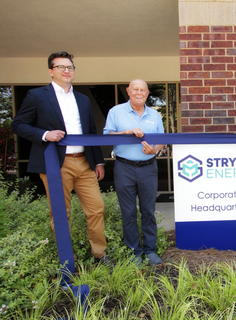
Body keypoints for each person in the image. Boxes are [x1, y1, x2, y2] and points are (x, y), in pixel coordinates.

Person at [11, 51, 111, 264]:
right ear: (51, 71)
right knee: (60, 213)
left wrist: (99, 160)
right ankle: (67, 260)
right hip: (55, 163)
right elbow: (18, 124)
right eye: (61, 67)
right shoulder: (37, 96)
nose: (67, 71)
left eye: (70, 67)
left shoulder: (82, 100)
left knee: (96, 209)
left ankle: (100, 255)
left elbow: (90, 130)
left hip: (84, 162)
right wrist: (45, 135)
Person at [103, 79, 165, 266]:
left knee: (148, 211)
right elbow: (106, 137)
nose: (139, 93)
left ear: (147, 93)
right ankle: (134, 252)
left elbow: (161, 139)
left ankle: (150, 250)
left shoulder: (154, 114)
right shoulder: (116, 111)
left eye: (143, 90)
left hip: (148, 168)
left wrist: (155, 150)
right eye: (135, 89)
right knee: (128, 212)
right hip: (124, 168)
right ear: (128, 91)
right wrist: (126, 132)